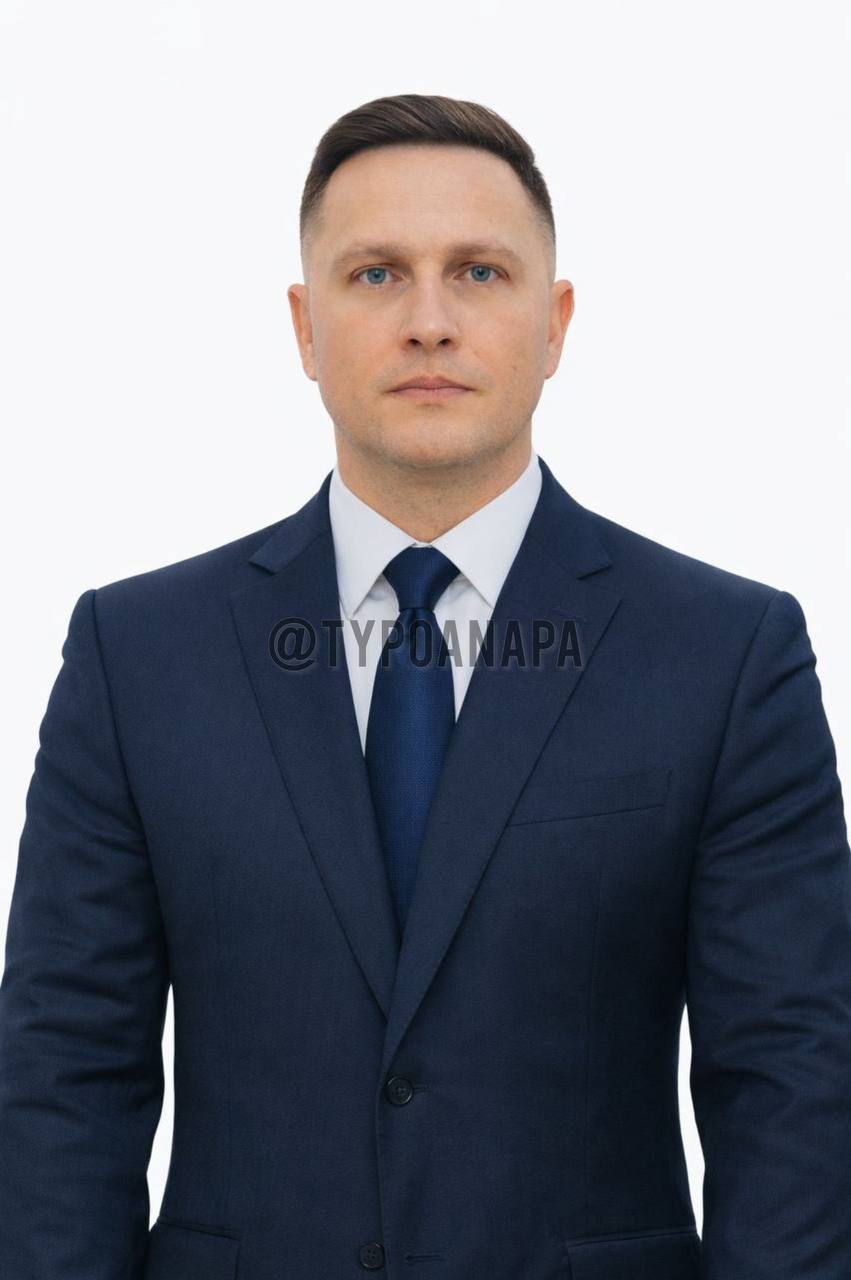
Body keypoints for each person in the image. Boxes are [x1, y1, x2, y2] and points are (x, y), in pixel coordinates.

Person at [1, 92, 849, 1280]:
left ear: (554, 323)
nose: (430, 322)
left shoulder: (725, 653)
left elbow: (792, 1083)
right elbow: (63, 1076)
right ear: (305, 327)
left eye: (479, 273)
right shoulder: (136, 656)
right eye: (376, 275)